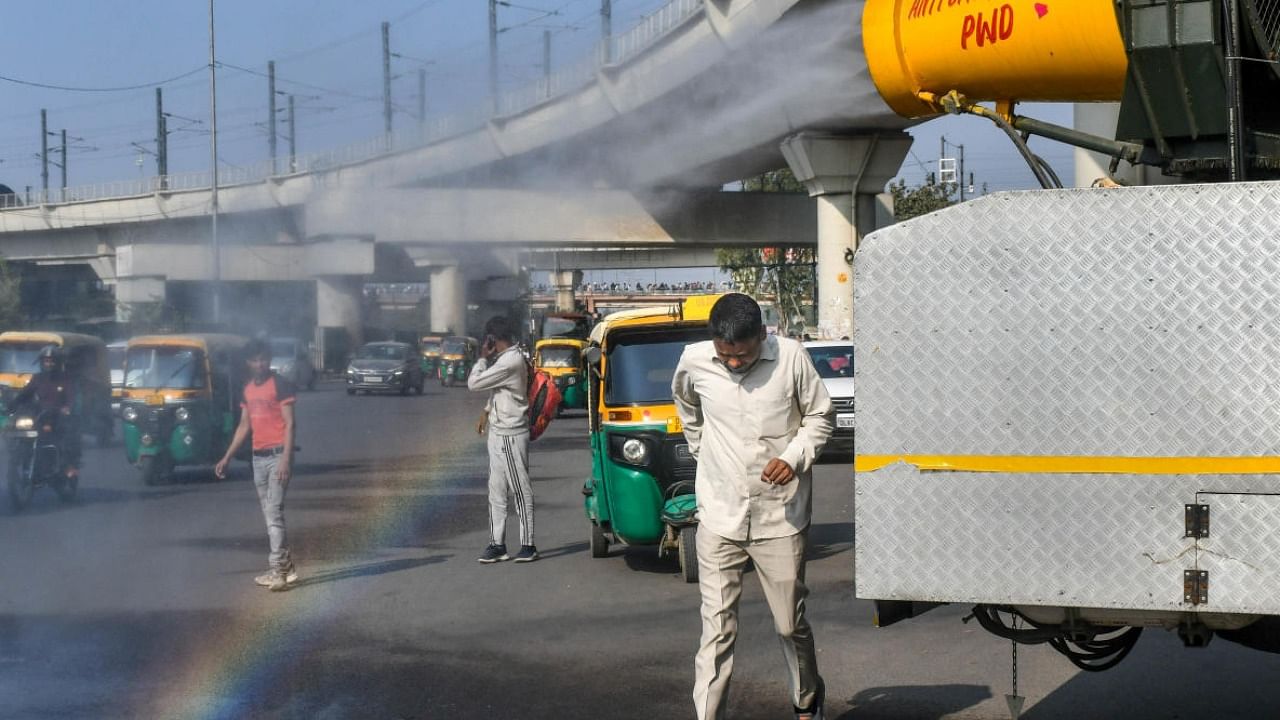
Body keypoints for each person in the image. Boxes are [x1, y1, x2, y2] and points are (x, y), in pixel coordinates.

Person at [671, 293, 834, 720]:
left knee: (789, 625)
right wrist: (702, 447)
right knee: (717, 630)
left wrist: (794, 456)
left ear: (763, 335)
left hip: (780, 517)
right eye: (726, 357)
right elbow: (687, 406)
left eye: (743, 355)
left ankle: (807, 697)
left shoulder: (792, 359)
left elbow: (821, 417)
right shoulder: (694, 361)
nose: (735, 364)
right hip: (719, 516)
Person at [216, 339, 298, 592]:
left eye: (264, 359)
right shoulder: (248, 389)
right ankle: (287, 567)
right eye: (255, 360)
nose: (260, 364)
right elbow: (244, 425)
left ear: (269, 360)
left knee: (274, 514)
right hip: (257, 458)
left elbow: (290, 424)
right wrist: (226, 457)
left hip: (277, 457)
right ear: (248, 363)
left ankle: (278, 572)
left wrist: (286, 458)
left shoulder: (281, 385)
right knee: (268, 513)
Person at [467, 315, 538, 564]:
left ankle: (528, 545)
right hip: (498, 432)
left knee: (519, 490)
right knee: (495, 491)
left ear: (493, 339)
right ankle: (497, 544)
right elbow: (500, 392)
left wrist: (481, 358)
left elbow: (474, 383)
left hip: (511, 433)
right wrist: (487, 412)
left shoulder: (510, 361)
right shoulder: (507, 360)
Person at [11, 345, 79, 478]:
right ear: (42, 362)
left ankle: (69, 467)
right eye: (46, 361)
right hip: (40, 416)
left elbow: (72, 396)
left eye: (52, 360)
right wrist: (11, 406)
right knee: (19, 432)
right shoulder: (37, 378)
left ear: (57, 362)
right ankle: (28, 461)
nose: (49, 363)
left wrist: (67, 408)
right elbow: (25, 394)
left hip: (59, 417)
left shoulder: (66, 379)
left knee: (67, 437)